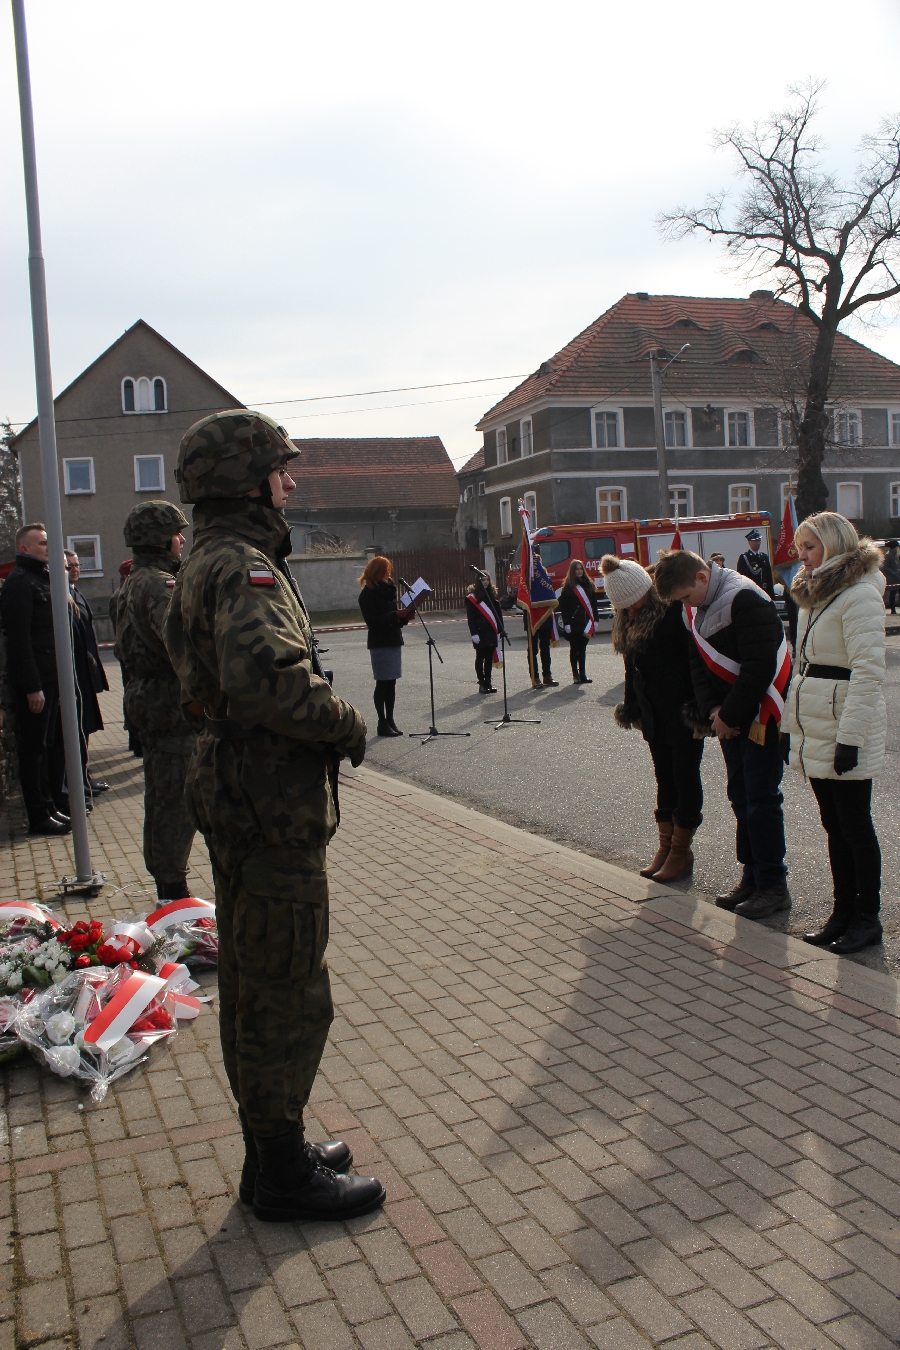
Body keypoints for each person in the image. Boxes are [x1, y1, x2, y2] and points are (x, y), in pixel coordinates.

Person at [164, 409, 382, 1224]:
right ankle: (283, 1172)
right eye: (278, 470)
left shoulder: (209, 557)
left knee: (257, 979)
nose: (289, 483)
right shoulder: (242, 564)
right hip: (268, 800)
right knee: (287, 988)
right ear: (245, 479)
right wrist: (346, 724)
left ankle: (270, 1156)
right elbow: (271, 683)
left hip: (241, 793)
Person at [655, 548, 790, 920]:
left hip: (760, 715)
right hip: (728, 717)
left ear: (702, 577)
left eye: (686, 596)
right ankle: (752, 876)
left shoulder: (743, 597)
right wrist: (713, 710)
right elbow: (697, 663)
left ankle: (772, 884)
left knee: (761, 800)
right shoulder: (696, 605)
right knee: (741, 797)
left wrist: (727, 714)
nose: (686, 605)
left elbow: (759, 667)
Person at [782, 512, 887, 954]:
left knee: (855, 825)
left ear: (834, 544)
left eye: (810, 547)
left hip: (844, 723)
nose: (802, 556)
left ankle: (867, 918)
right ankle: (842, 911)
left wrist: (850, 738)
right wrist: (790, 725)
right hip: (817, 721)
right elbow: (803, 666)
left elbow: (868, 672)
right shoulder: (815, 592)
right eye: (800, 548)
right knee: (834, 825)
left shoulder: (859, 594)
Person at [114, 503, 200, 902]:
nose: (182, 540)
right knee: (176, 799)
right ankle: (172, 889)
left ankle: (167, 880)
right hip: (169, 703)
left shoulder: (135, 580)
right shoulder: (159, 585)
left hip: (149, 698)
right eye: (177, 534)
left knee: (162, 793)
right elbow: (180, 644)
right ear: (161, 539)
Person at [603, 555, 704, 882]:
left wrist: (700, 706)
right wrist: (631, 706)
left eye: (636, 601)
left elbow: (695, 660)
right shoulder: (626, 616)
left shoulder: (673, 610)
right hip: (652, 711)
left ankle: (680, 851)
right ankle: (666, 846)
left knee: (684, 777)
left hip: (681, 710)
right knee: (664, 778)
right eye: (625, 606)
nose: (632, 608)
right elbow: (631, 668)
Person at [0, 523, 70, 835]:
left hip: (51, 679)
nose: (48, 547)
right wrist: (32, 687)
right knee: (33, 749)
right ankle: (38, 815)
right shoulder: (19, 582)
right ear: (24, 548)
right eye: (42, 543)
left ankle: (49, 806)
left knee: (47, 745)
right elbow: (19, 641)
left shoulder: (42, 578)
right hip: (37, 682)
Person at [65, 551, 110, 800]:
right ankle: (78, 779)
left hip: (86, 671)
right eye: (69, 566)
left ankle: (84, 776)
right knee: (78, 728)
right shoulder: (63, 595)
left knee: (86, 727)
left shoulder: (77, 593)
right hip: (75, 673)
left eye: (77, 565)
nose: (74, 569)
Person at [357, 556, 411, 735]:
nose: (388, 575)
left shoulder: (388, 591)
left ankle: (390, 720)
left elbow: (393, 617)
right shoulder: (367, 594)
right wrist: (395, 615)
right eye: (384, 571)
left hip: (393, 640)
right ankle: (382, 723)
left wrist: (404, 618)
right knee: (382, 683)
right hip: (379, 643)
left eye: (389, 571)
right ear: (376, 572)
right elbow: (373, 621)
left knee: (392, 683)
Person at [109, 559, 142, 758]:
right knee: (132, 695)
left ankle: (134, 739)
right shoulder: (120, 597)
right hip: (128, 655)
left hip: (128, 654)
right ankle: (135, 739)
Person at [558, 560, 598, 684]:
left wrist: (596, 620)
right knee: (574, 648)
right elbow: (564, 606)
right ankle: (575, 674)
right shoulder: (568, 587)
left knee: (582, 649)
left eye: (581, 569)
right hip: (573, 623)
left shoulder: (589, 584)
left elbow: (594, 604)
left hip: (586, 622)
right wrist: (566, 623)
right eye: (577, 569)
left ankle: (583, 674)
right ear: (572, 571)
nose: (579, 571)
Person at [466, 575, 504, 693]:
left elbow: (498, 616)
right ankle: (481, 683)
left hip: (491, 631)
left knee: (488, 657)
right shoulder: (472, 598)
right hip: (480, 631)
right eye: (483, 580)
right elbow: (471, 618)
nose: (486, 582)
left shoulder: (492, 596)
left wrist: (500, 631)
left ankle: (488, 682)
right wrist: (474, 633)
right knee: (480, 656)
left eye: (487, 580)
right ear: (478, 581)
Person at [736, 529, 776, 600]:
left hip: (765, 592)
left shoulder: (764, 557)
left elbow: (769, 578)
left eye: (759, 540)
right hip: (752, 593)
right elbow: (742, 578)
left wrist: (772, 597)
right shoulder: (745, 557)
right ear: (749, 542)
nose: (758, 543)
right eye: (755, 541)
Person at [881, 538, 900, 615]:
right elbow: (885, 567)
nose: (897, 549)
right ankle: (893, 609)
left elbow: (897, 564)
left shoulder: (896, 555)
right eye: (896, 547)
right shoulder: (888, 556)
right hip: (892, 579)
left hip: (897, 578)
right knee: (893, 593)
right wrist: (893, 573)